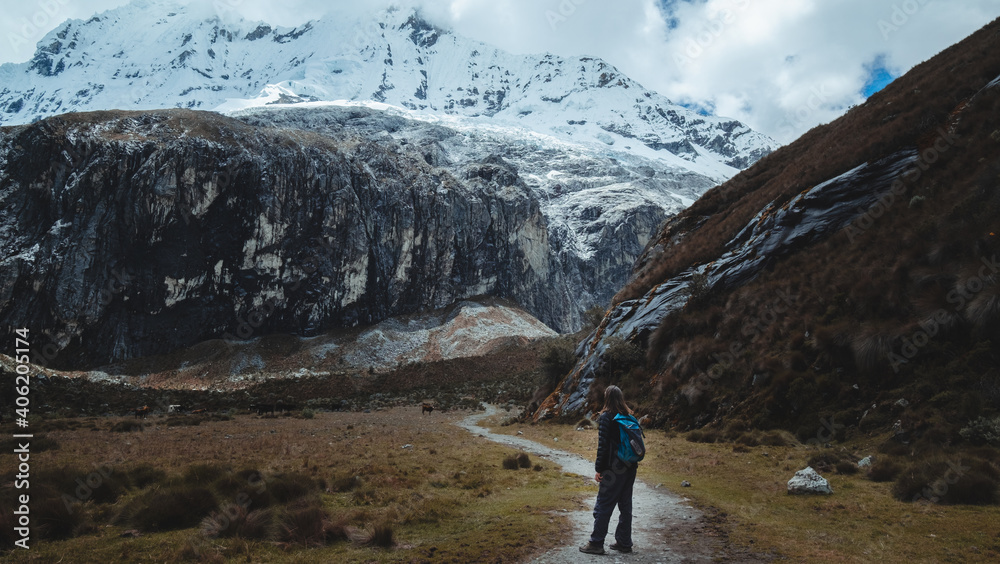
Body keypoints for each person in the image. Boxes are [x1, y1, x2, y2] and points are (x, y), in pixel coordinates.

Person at [579, 385, 637, 555]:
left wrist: (600, 469)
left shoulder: (606, 417)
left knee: (603, 504)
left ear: (607, 398)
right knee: (625, 505)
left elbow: (603, 446)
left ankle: (596, 543)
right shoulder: (628, 415)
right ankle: (624, 542)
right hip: (630, 466)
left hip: (613, 468)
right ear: (620, 398)